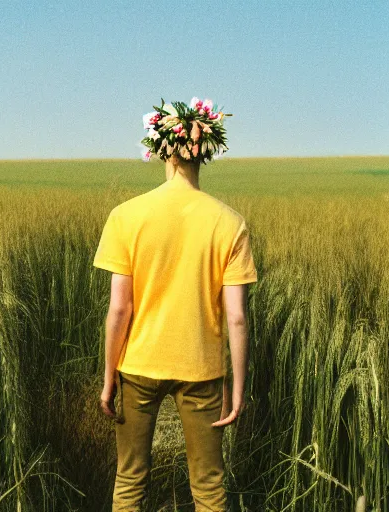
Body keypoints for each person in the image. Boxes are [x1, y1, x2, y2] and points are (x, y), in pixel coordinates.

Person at [92, 97, 258, 511]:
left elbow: (119, 311)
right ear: (206, 151)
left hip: (138, 366)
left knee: (130, 478)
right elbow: (236, 317)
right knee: (208, 485)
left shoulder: (127, 216)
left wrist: (109, 375)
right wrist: (237, 386)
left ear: (162, 149)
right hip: (202, 369)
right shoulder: (229, 222)